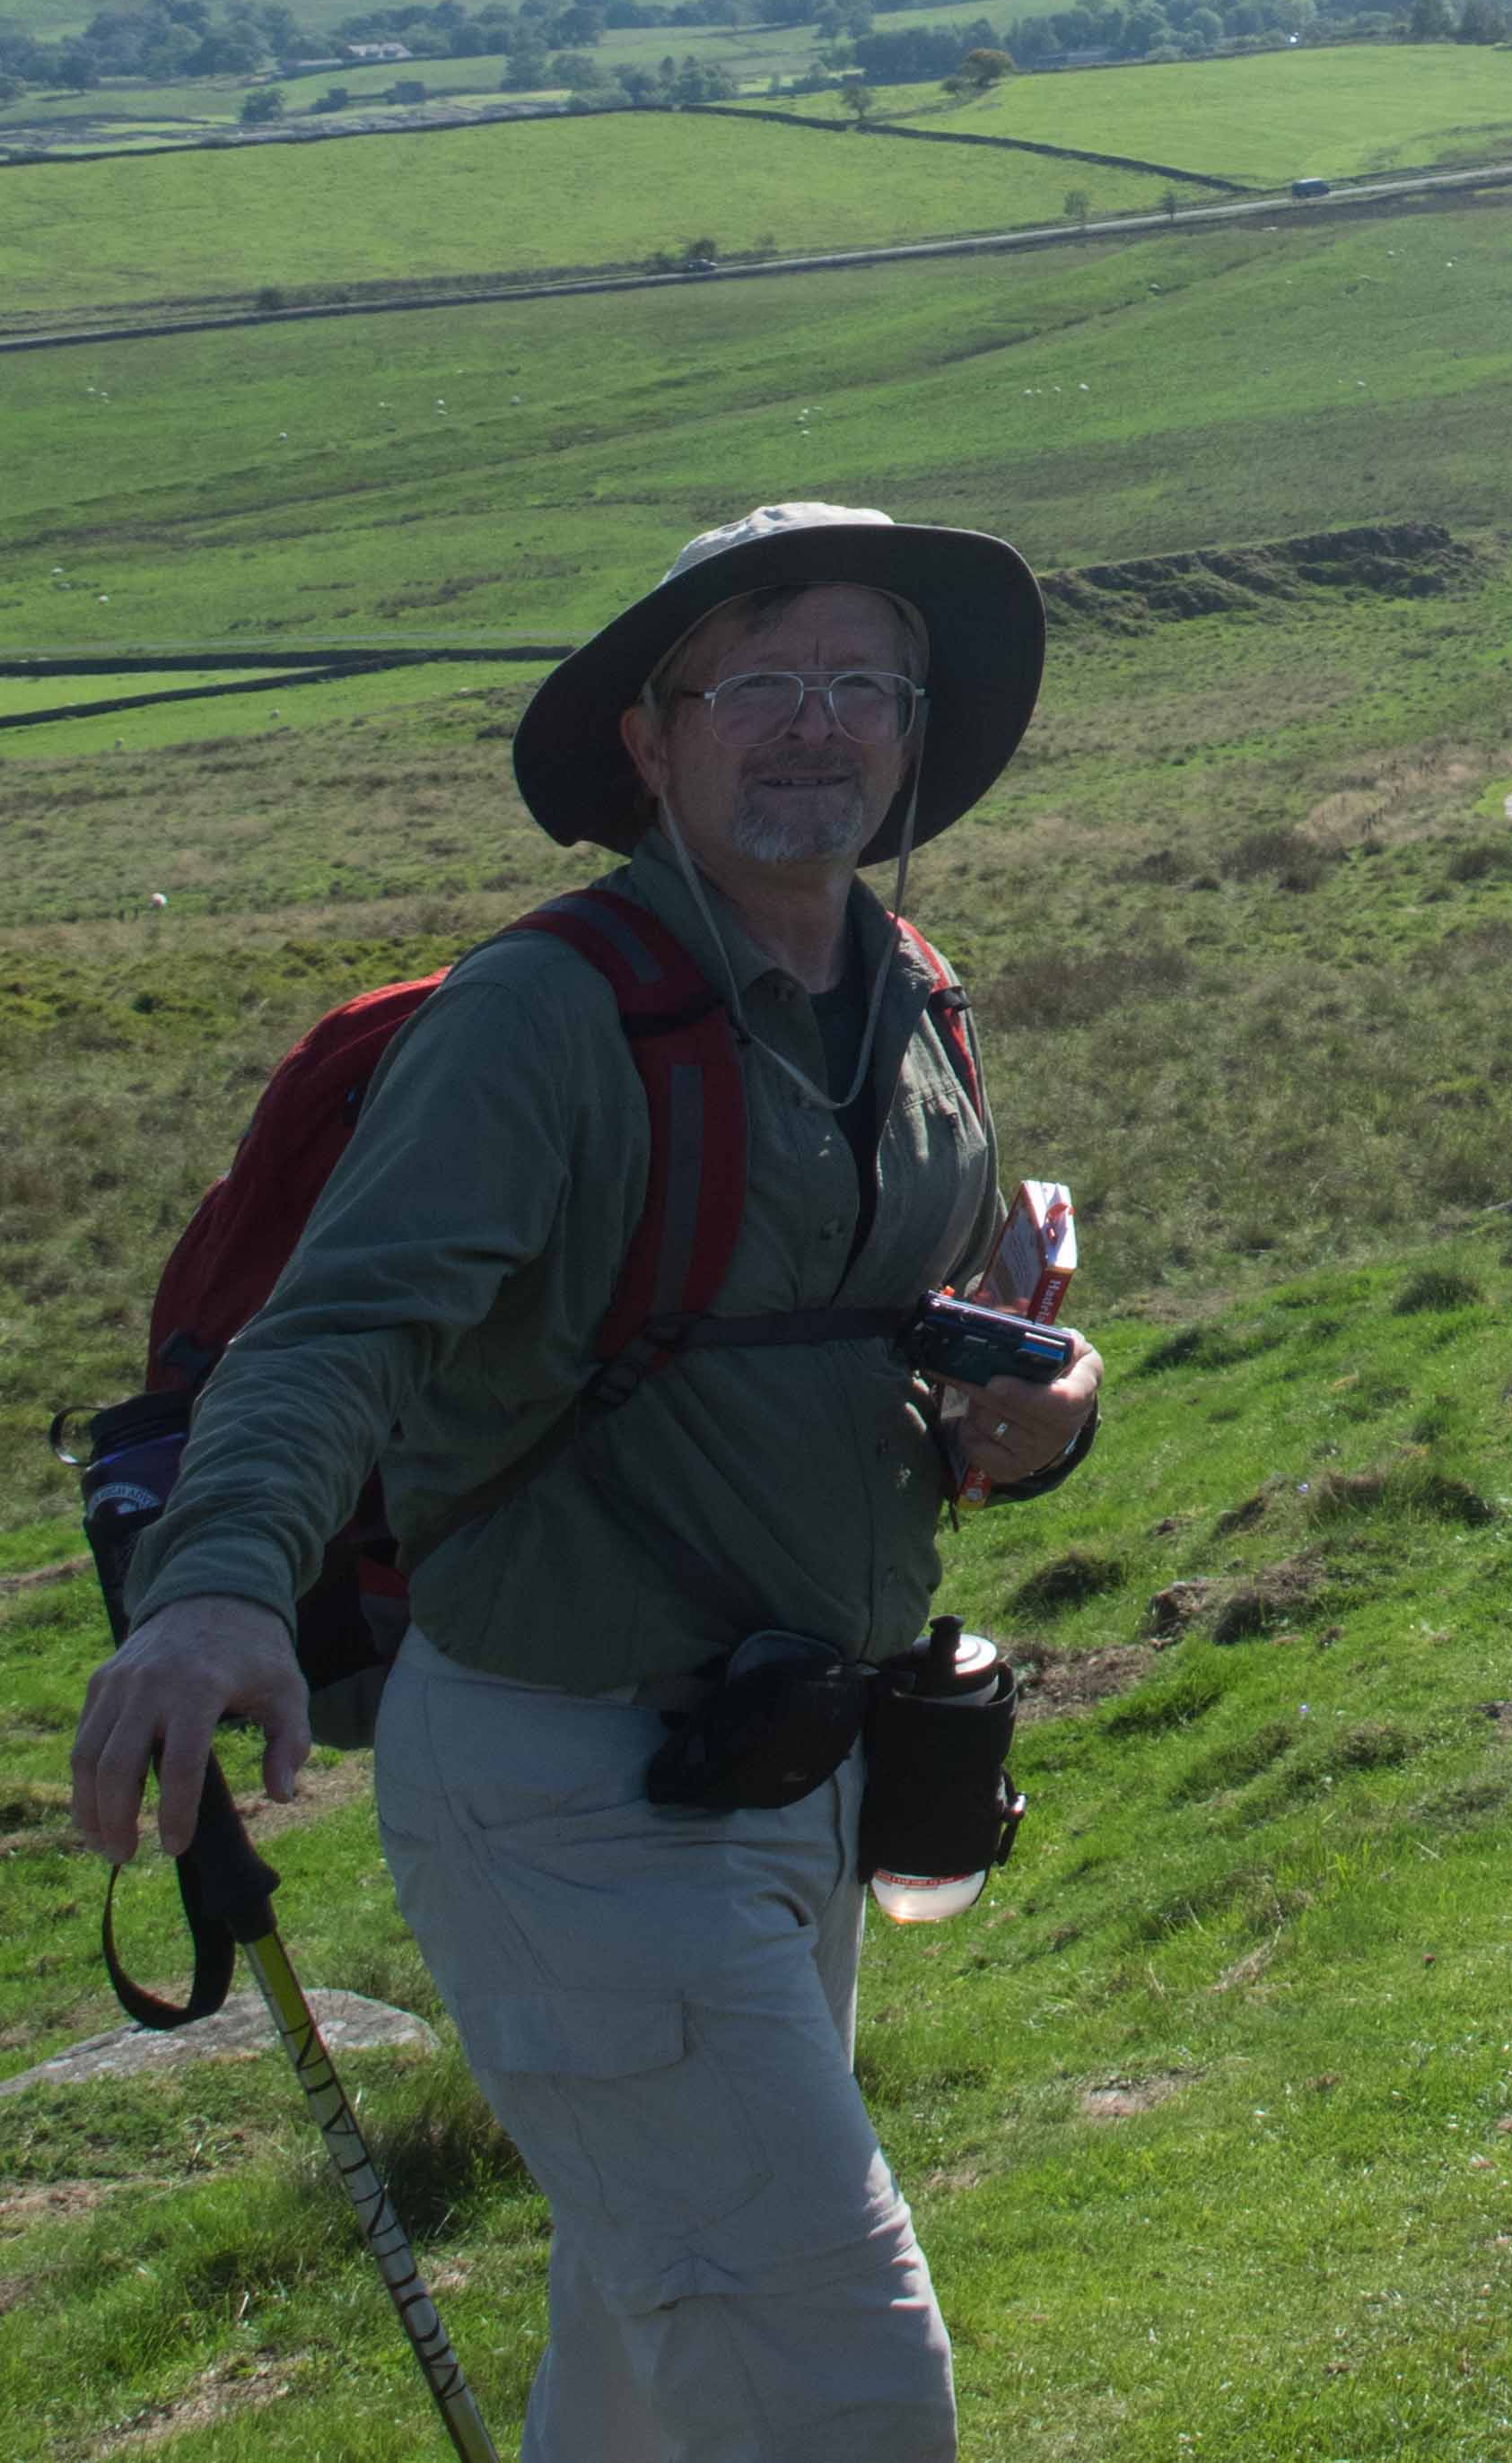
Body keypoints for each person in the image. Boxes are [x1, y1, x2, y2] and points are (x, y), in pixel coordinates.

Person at [64, 503, 1106, 2461]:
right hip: (570, 1786)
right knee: (837, 2373)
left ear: (913, 725)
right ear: (653, 737)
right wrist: (214, 1590)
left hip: (801, 1755)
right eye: (759, 681)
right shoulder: (541, 1016)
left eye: (861, 680)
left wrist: (1047, 1399)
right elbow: (337, 1329)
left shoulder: (908, 996)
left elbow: (917, 1312)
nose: (816, 725)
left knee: (649, 2350)